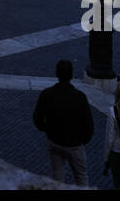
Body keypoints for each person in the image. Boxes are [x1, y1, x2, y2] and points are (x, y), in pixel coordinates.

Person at [32, 59, 95, 187]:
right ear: (71, 76)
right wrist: (82, 140)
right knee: (81, 177)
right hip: (75, 145)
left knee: (57, 178)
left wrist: (47, 130)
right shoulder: (80, 97)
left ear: (57, 74)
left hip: (54, 142)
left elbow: (37, 119)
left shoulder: (46, 94)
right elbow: (89, 126)